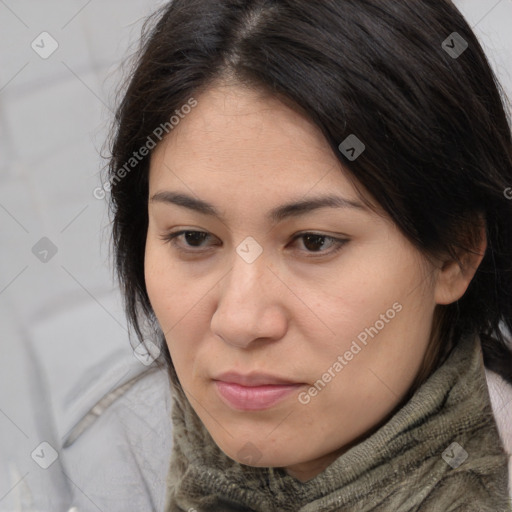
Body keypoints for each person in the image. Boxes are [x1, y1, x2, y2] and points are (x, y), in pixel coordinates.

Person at [102, 0, 512, 510]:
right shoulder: (87, 469)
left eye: (314, 241)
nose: (240, 320)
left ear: (456, 253)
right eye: (193, 237)